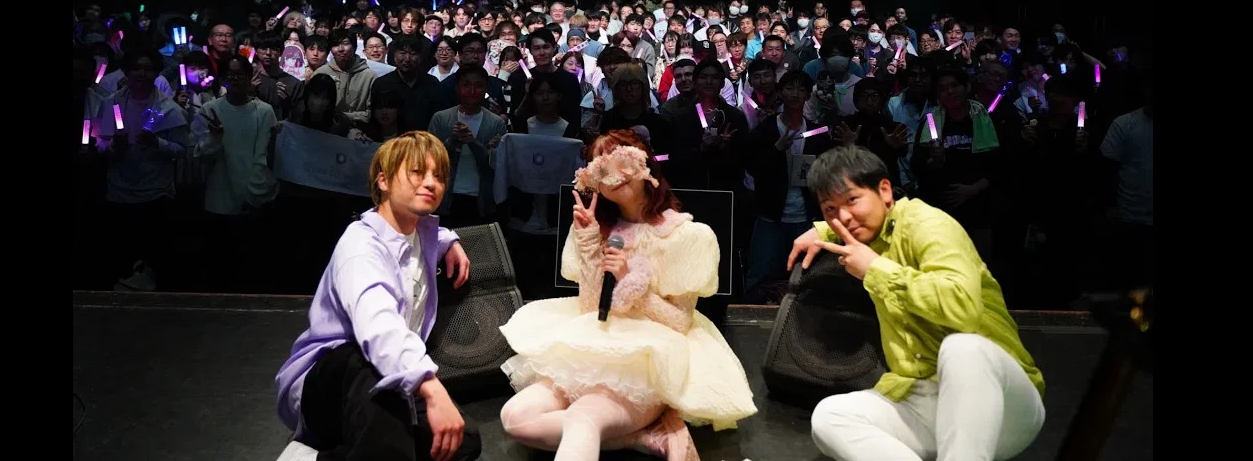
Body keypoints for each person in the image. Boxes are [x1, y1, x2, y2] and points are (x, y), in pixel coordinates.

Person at [497, 130, 757, 461]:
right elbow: (590, 308)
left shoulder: (687, 235)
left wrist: (631, 282)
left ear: (645, 163)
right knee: (515, 417)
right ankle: (644, 437)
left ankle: (633, 425)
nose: (614, 174)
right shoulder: (599, 229)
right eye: (600, 167)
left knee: (583, 418)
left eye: (622, 159)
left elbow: (679, 321)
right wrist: (589, 243)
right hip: (593, 344)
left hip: (648, 356)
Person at [787, 145, 1045, 461]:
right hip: (924, 401)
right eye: (830, 209)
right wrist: (821, 229)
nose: (843, 217)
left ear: (884, 190)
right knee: (830, 416)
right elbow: (847, 221)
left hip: (998, 402)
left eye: (852, 200)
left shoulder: (928, 224)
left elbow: (962, 309)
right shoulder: (861, 234)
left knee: (963, 348)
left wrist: (876, 269)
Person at [273, 132, 481, 461]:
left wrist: (449, 241)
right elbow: (378, 325)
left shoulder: (420, 231)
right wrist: (430, 386)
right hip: (330, 387)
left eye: (439, 176)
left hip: (381, 370)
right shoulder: (360, 246)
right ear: (383, 181)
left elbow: (429, 233)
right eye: (417, 172)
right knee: (373, 380)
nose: (431, 183)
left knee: (462, 441)